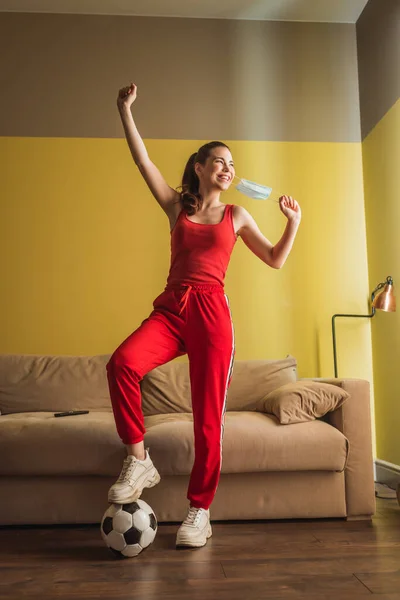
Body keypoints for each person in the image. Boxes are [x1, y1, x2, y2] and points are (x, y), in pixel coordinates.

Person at [106, 83, 302, 548]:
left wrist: (293, 223)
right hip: (172, 308)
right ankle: (139, 460)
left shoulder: (237, 215)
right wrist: (124, 110)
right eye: (220, 161)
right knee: (122, 364)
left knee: (208, 419)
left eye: (232, 165)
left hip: (213, 315)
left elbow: (275, 259)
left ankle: (200, 511)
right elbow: (143, 162)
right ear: (200, 167)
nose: (228, 169)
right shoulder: (178, 207)